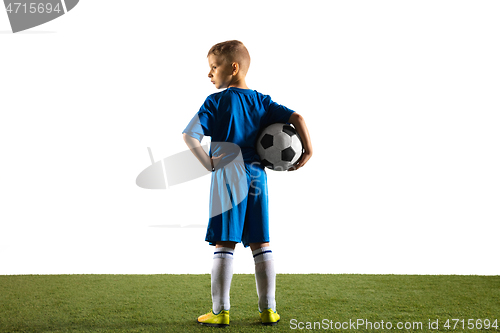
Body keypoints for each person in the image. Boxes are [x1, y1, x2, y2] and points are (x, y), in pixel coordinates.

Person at [182, 40, 313, 327]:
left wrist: (209, 164)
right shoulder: (262, 101)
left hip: (227, 174)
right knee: (260, 241)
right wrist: (309, 149)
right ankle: (268, 310)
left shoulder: (215, 102)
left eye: (213, 68)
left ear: (233, 67)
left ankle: (220, 311)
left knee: (224, 241)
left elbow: (190, 136)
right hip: (256, 176)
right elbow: (298, 117)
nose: (209, 74)